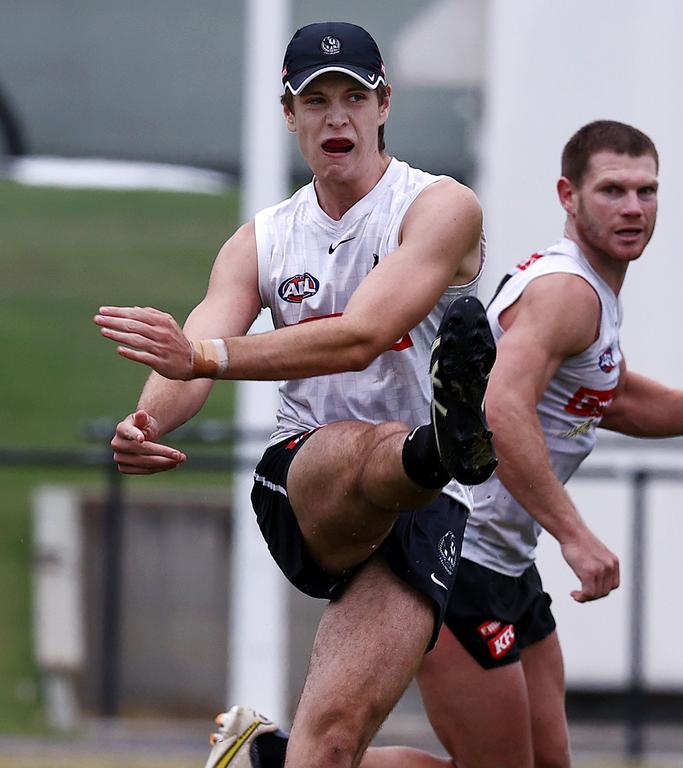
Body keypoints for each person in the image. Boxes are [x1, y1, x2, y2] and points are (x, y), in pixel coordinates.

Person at [209, 119, 683, 768]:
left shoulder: (588, 292)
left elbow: (610, 396)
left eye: (647, 191)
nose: (633, 208)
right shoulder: (568, 293)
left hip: (510, 564)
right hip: (464, 556)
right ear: (569, 196)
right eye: (613, 190)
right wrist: (575, 534)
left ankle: (269, 756)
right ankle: (272, 759)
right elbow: (500, 407)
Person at [94, 20, 498, 768]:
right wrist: (144, 421)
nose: (336, 117)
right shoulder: (265, 238)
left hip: (425, 504)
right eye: (316, 100)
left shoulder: (441, 208)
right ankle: (441, 443)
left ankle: (268, 756)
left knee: (334, 743)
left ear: (385, 105)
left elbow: (364, 333)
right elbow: (194, 343)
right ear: (289, 114)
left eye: (354, 96)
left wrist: (204, 357)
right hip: (309, 480)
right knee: (366, 448)